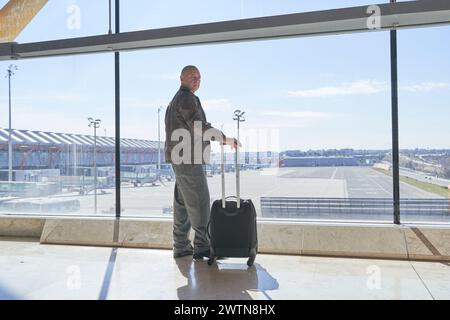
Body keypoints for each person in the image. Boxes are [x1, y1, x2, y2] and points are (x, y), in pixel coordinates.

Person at [164, 65, 241, 260]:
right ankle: (203, 247)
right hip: (188, 159)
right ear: (181, 77)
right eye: (192, 77)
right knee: (199, 202)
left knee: (182, 204)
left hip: (180, 158)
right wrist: (225, 139)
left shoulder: (176, 99)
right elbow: (198, 127)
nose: (196, 80)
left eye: (199, 77)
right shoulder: (186, 98)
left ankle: (181, 246)